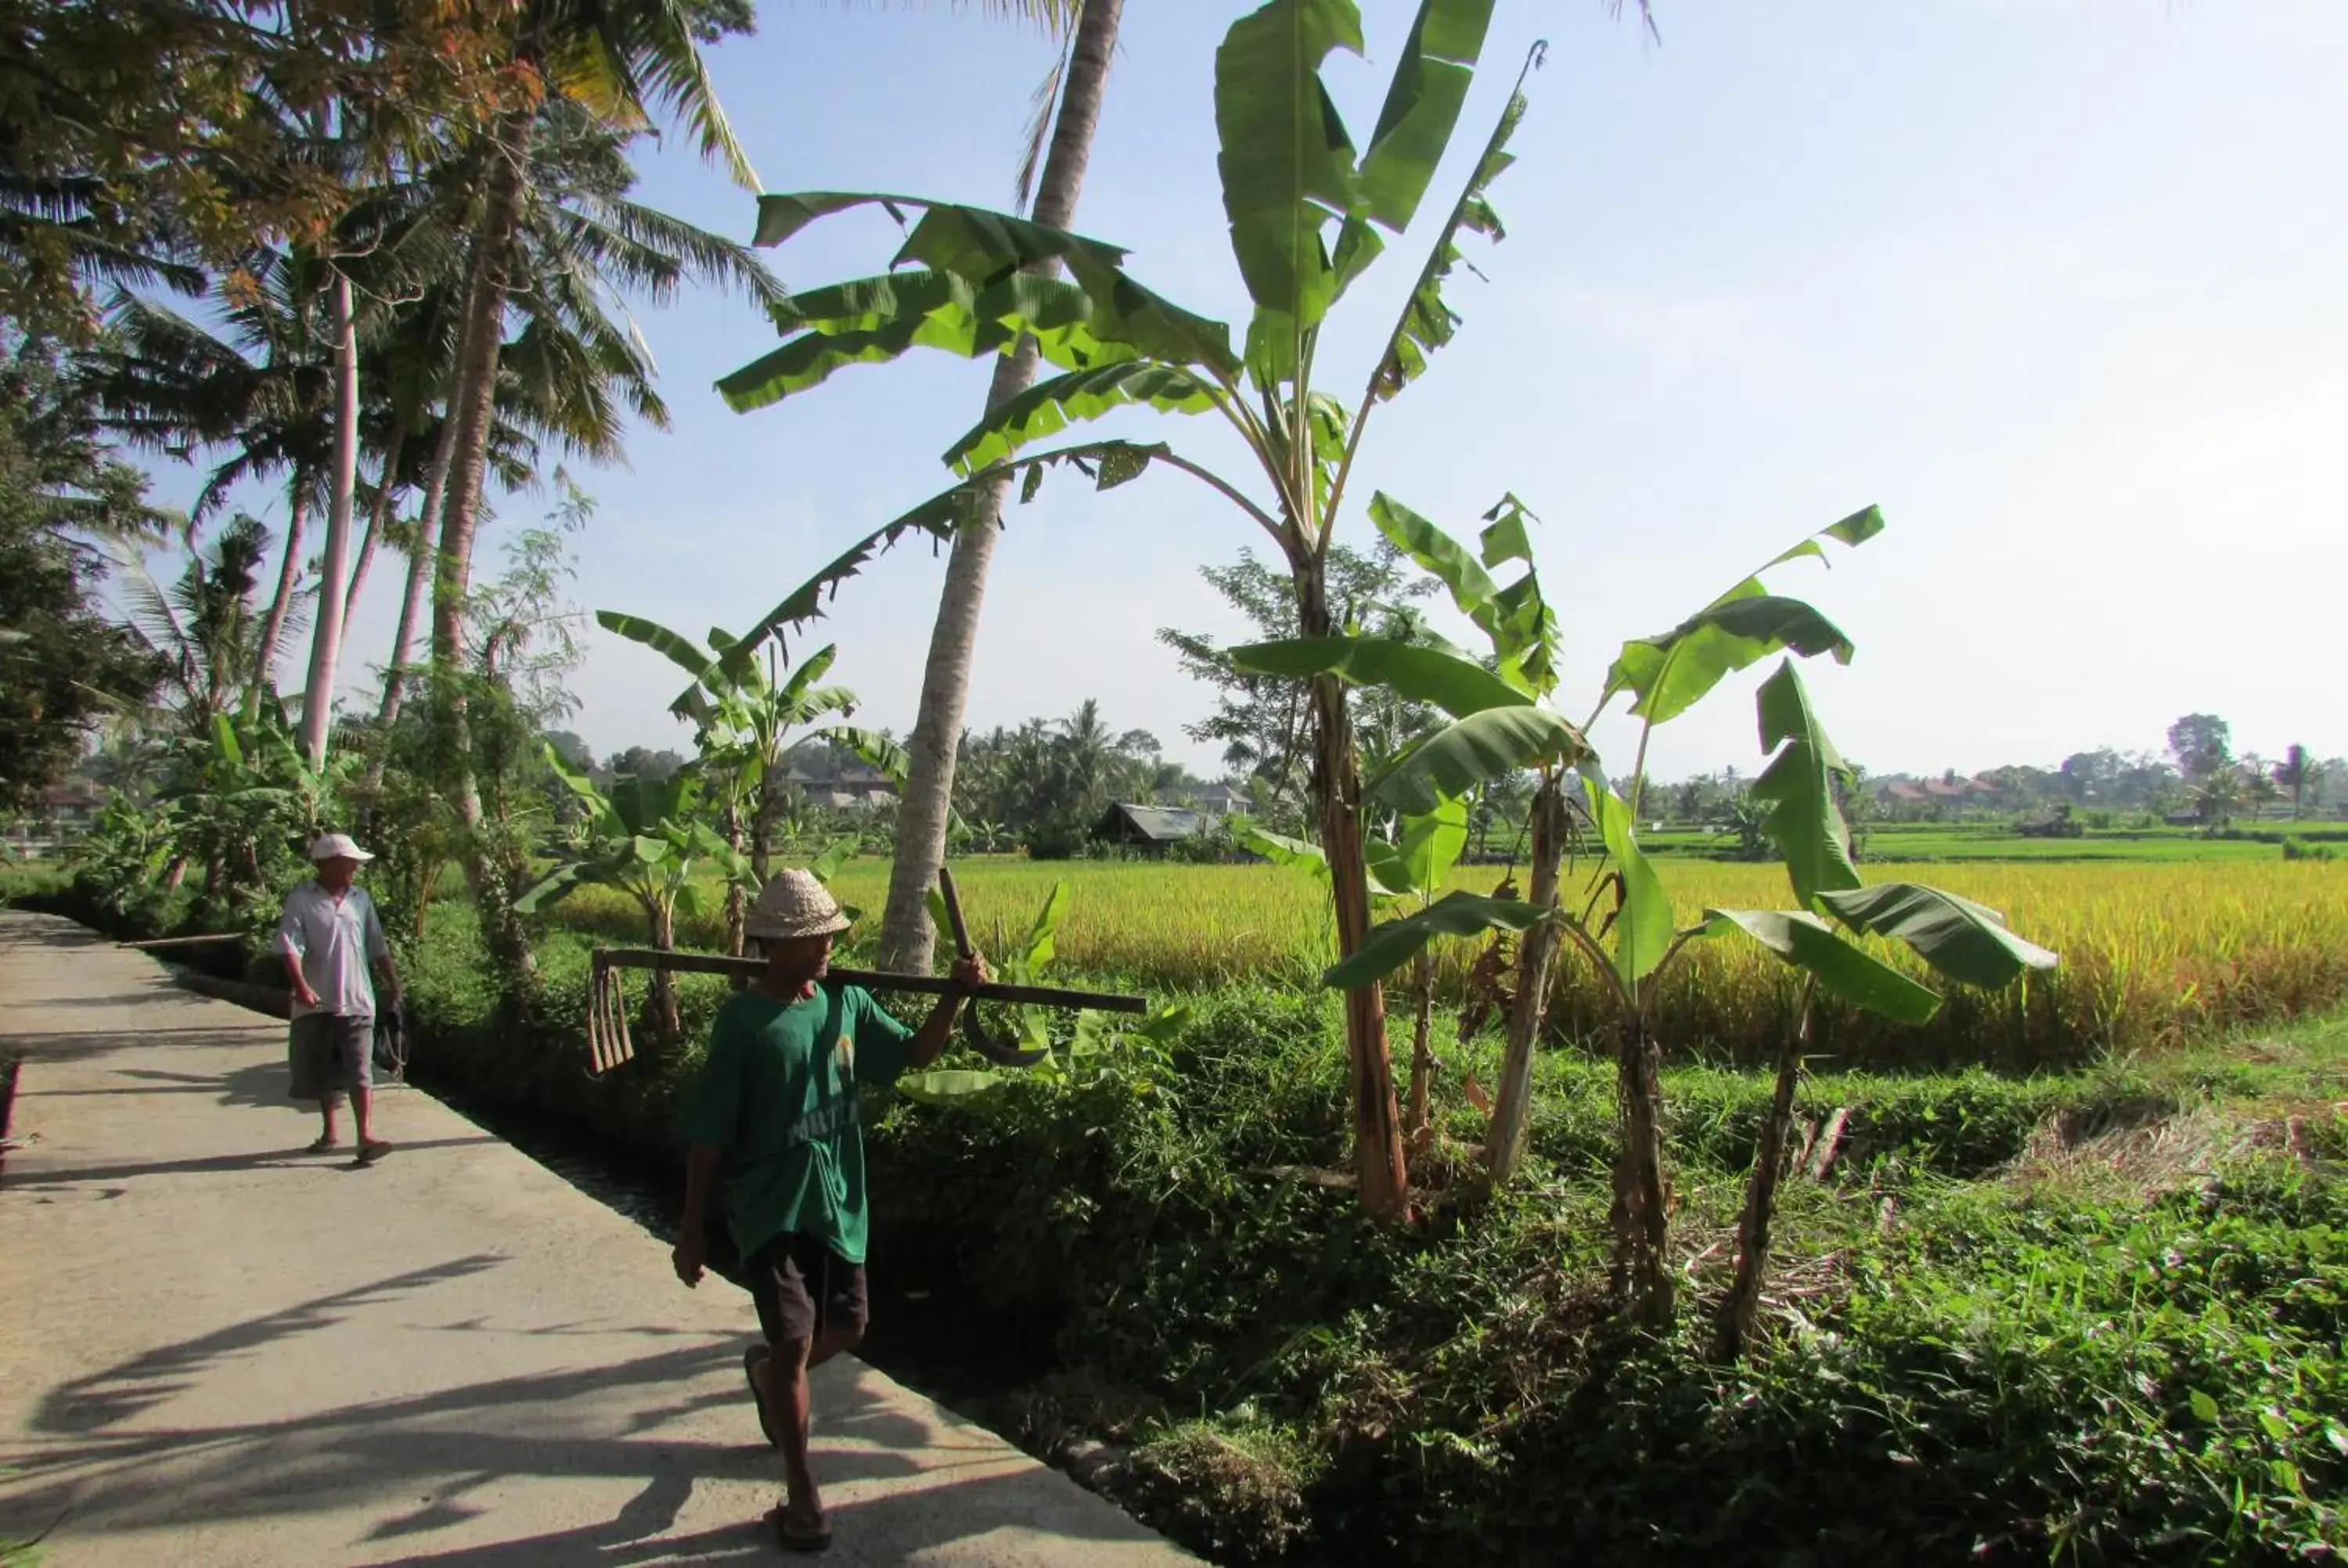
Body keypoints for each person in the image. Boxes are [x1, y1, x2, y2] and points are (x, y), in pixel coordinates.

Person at [672, 869, 987, 1555]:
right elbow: (709, 1133)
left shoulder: (846, 1002)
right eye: (812, 938)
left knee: (848, 1325)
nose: (826, 947)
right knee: (793, 1341)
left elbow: (909, 1056)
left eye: (829, 935)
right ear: (773, 945)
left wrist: (955, 999)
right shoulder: (744, 1023)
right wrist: (692, 1226)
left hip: (839, 1198)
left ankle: (766, 1376)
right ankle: (803, 1494)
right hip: (770, 1204)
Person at [276, 832, 400, 1167]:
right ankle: (330, 1131)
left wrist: (392, 982)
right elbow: (289, 946)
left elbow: (377, 944)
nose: (355, 868)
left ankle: (365, 1136)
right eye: (349, 862)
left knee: (361, 1070)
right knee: (324, 1070)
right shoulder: (301, 899)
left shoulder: (361, 899)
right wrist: (301, 986)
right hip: (317, 1002)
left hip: (358, 999)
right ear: (327, 864)